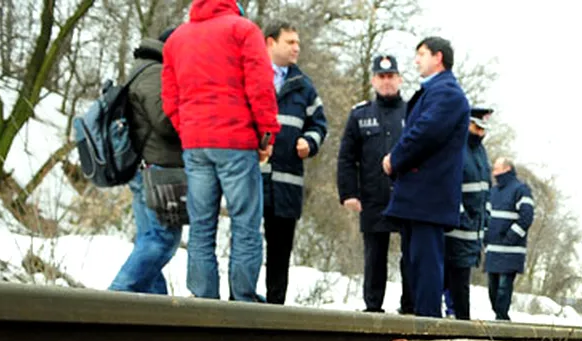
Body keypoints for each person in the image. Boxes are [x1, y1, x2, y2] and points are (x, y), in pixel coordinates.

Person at [162, 0, 278, 302]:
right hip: (236, 141)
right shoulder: (243, 30)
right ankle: (243, 302)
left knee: (201, 227)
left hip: (195, 144)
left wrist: (188, 129)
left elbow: (170, 98)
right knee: (245, 225)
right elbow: (260, 87)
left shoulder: (176, 39)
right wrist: (266, 135)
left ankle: (203, 302)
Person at [381, 36, 470, 318]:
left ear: (438, 57)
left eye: (421, 54)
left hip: (428, 198)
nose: (416, 60)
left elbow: (425, 133)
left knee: (426, 265)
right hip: (418, 197)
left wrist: (395, 159)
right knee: (414, 264)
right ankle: (418, 320)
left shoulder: (447, 94)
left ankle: (428, 324)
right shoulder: (434, 92)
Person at [109, 28, 184, 295]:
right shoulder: (155, 74)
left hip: (148, 168)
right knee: (163, 240)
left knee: (150, 239)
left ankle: (155, 309)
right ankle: (115, 298)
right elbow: (166, 122)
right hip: (158, 169)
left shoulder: (145, 69)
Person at [261, 22, 327, 305]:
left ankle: (274, 308)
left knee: (280, 251)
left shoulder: (304, 86)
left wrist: (309, 142)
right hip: (252, 179)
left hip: (287, 184)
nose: (296, 48)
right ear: (270, 43)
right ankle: (241, 303)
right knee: (246, 245)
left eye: (298, 42)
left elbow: (319, 124)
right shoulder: (251, 75)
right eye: (290, 42)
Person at [338, 53, 406, 312]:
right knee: (374, 257)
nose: (386, 81)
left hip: (406, 196)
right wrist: (349, 193)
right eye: (381, 76)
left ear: (399, 79)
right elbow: (347, 157)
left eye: (391, 76)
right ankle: (373, 308)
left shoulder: (412, 112)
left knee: (411, 256)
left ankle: (409, 307)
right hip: (372, 195)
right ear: (374, 80)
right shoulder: (360, 114)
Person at [444, 107, 493, 320]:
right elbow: (449, 186)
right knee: (452, 281)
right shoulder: (456, 148)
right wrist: (461, 216)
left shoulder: (480, 152)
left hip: (474, 232)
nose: (480, 133)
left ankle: (460, 321)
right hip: (456, 230)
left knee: (460, 282)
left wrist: (486, 217)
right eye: (476, 127)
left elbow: (486, 188)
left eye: (483, 129)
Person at [483, 157, 535, 321]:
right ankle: (500, 317)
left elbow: (526, 217)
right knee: (492, 289)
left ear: (506, 169)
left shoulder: (521, 190)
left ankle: (501, 320)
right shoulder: (492, 192)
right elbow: (486, 216)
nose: (493, 171)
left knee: (503, 289)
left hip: (511, 250)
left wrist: (510, 237)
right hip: (493, 249)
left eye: (496, 168)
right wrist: (486, 236)